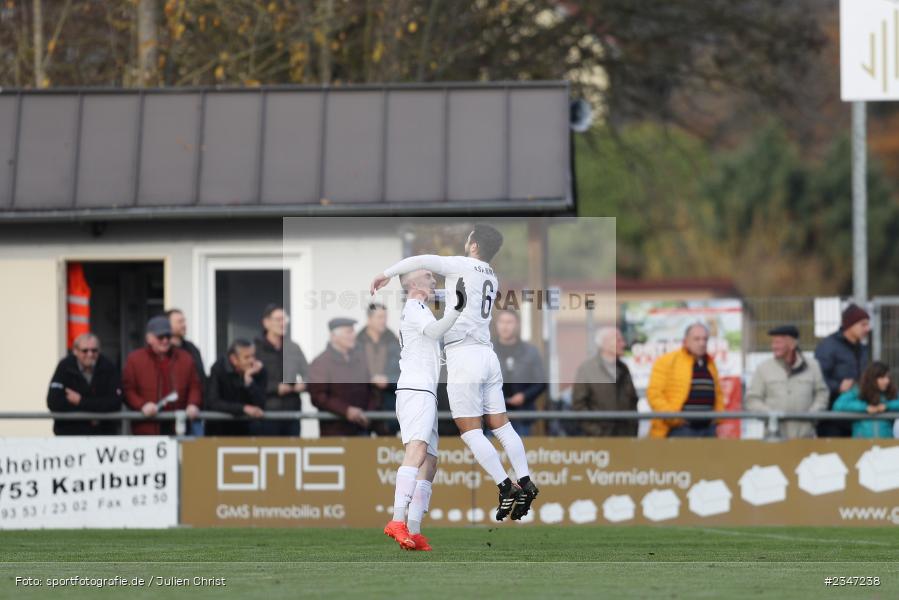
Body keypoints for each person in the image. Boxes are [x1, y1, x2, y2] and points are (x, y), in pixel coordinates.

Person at [370, 223, 538, 522]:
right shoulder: (490, 275)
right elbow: (455, 298)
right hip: (489, 355)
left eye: (468, 239)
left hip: (464, 355)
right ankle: (525, 480)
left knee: (471, 431)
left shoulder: (460, 264)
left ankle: (505, 486)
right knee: (501, 426)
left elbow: (418, 260)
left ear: (473, 245)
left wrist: (386, 273)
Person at [384, 271, 465, 552]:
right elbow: (434, 332)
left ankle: (415, 529)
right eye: (428, 276)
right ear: (414, 284)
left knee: (430, 461)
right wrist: (457, 307)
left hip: (425, 391)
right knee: (417, 450)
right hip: (415, 390)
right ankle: (397, 520)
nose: (434, 280)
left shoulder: (421, 311)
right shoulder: (414, 307)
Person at [744, 325, 829, 439]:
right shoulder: (763, 368)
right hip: (774, 438)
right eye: (773, 342)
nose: (774, 346)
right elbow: (752, 399)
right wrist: (771, 415)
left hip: (805, 438)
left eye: (778, 342)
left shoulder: (813, 366)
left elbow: (822, 394)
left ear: (792, 344)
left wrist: (812, 415)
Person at [122, 316, 202, 435]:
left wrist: (193, 403)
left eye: (168, 336)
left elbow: (195, 386)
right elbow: (128, 389)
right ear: (149, 338)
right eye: (160, 337)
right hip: (147, 427)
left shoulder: (185, 358)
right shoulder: (135, 359)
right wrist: (142, 405)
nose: (165, 341)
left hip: (179, 426)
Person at [646, 322, 724, 438]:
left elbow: (718, 394)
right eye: (696, 339)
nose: (702, 343)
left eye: (705, 339)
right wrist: (674, 419)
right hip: (679, 429)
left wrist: (717, 418)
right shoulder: (667, 361)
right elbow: (654, 394)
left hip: (708, 429)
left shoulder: (710, 364)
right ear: (686, 341)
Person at [308, 318, 378, 436]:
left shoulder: (361, 360)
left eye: (353, 331)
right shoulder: (321, 363)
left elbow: (371, 390)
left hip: (361, 428)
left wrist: (368, 414)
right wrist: (346, 411)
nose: (353, 335)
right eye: (349, 332)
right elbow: (318, 396)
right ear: (334, 336)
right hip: (335, 431)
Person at [46, 333, 122, 435]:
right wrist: (95, 410)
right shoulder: (65, 366)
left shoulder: (108, 366)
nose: (90, 354)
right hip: (70, 435)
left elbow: (115, 403)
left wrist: (80, 401)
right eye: (85, 351)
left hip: (102, 436)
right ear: (75, 351)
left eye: (94, 350)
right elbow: (54, 402)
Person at [815, 303, 871, 437]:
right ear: (850, 325)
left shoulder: (863, 349)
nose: (867, 329)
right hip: (831, 419)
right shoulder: (828, 346)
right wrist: (837, 387)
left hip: (856, 414)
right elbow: (817, 378)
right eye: (863, 324)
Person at [571, 327, 639, 437]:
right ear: (605, 344)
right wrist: (597, 432)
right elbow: (579, 405)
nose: (623, 344)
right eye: (618, 340)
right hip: (599, 441)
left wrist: (632, 429)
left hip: (625, 437)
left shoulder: (623, 369)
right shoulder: (587, 369)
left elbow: (633, 401)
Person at [255, 304, 310, 436]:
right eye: (278, 319)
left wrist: (303, 384)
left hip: (292, 413)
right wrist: (275, 388)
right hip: (266, 414)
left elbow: (309, 374)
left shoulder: (293, 348)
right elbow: (250, 382)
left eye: (285, 319)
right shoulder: (257, 349)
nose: (283, 323)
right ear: (266, 323)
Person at [492, 309, 546, 436]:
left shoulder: (530, 351)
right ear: (496, 324)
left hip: (522, 416)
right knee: (493, 454)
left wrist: (524, 396)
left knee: (520, 454)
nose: (505, 326)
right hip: (493, 416)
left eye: (509, 322)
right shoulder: (488, 351)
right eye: (502, 322)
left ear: (517, 325)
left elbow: (541, 382)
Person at [355, 303, 401, 434]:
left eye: (385, 317)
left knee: (386, 449)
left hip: (388, 404)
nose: (384, 320)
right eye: (380, 317)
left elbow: (404, 373)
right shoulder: (355, 343)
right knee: (362, 447)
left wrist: (388, 380)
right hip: (363, 404)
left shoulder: (395, 342)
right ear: (369, 319)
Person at [205, 339, 266, 436]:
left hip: (247, 432)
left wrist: (249, 383)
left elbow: (261, 403)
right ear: (234, 359)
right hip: (220, 431)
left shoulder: (259, 370)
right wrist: (243, 408)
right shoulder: (219, 369)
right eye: (247, 357)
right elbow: (213, 402)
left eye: (253, 356)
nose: (252, 361)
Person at [833, 361, 899, 439]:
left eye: (888, 377)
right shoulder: (858, 391)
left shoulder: (891, 392)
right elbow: (838, 405)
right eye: (882, 378)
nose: (887, 381)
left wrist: (887, 406)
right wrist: (865, 408)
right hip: (862, 444)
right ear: (872, 378)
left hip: (885, 444)